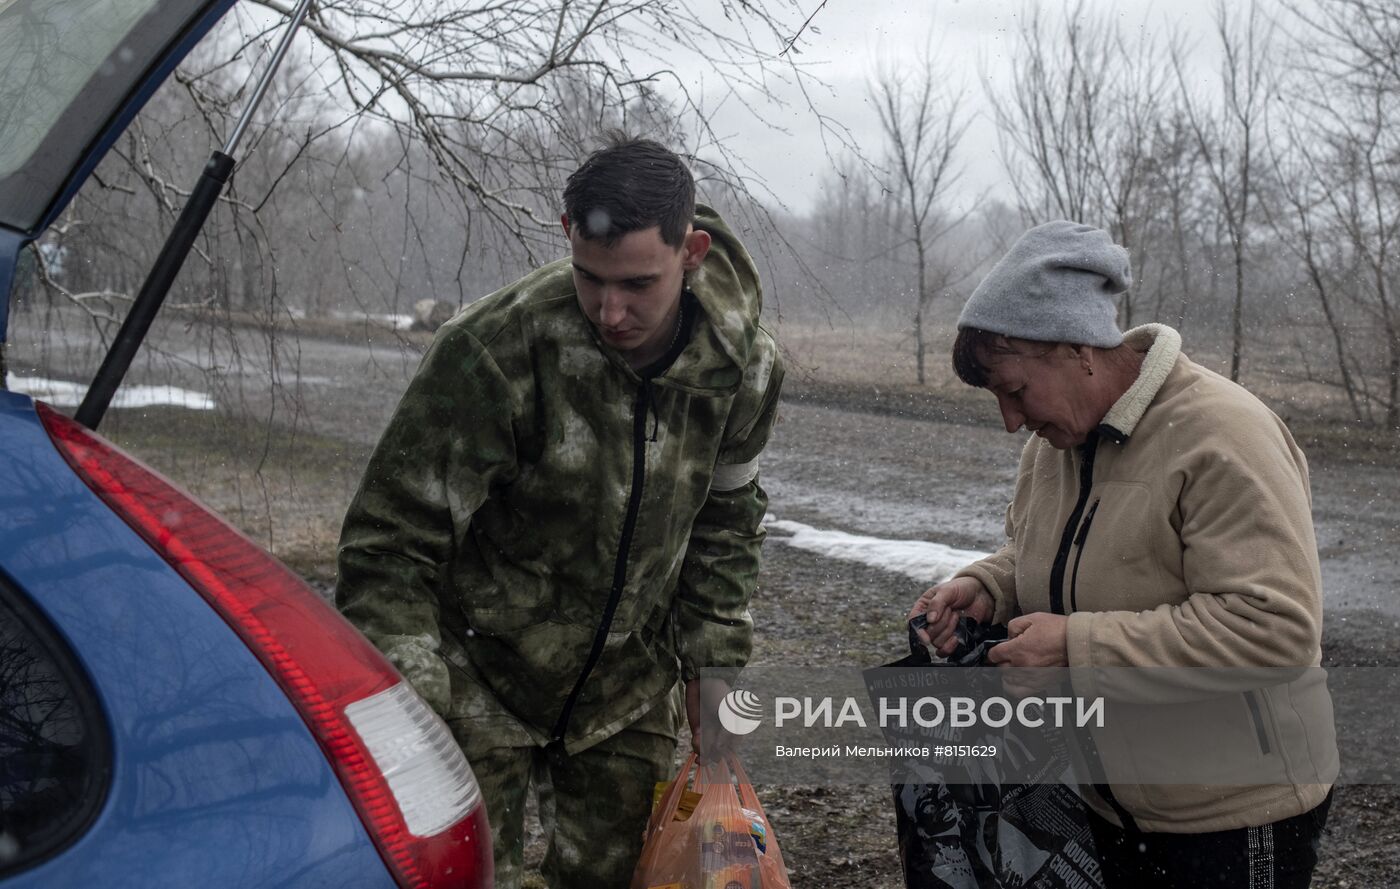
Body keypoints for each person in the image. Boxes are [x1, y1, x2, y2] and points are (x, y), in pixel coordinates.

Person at [336, 138, 784, 889]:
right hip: (478, 675)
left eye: (638, 284)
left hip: (625, 693)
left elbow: (726, 526)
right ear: (566, 232)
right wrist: (412, 711)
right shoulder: (495, 350)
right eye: (589, 277)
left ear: (692, 251)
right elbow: (390, 543)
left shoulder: (742, 368)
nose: (610, 311)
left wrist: (715, 678)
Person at [909, 220, 1337, 888]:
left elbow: (1274, 629)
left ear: (1077, 347)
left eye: (1015, 390)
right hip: (1106, 805)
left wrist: (1079, 649)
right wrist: (990, 584)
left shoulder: (1224, 435)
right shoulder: (1051, 450)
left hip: (1233, 811)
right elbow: (1049, 557)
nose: (1010, 420)